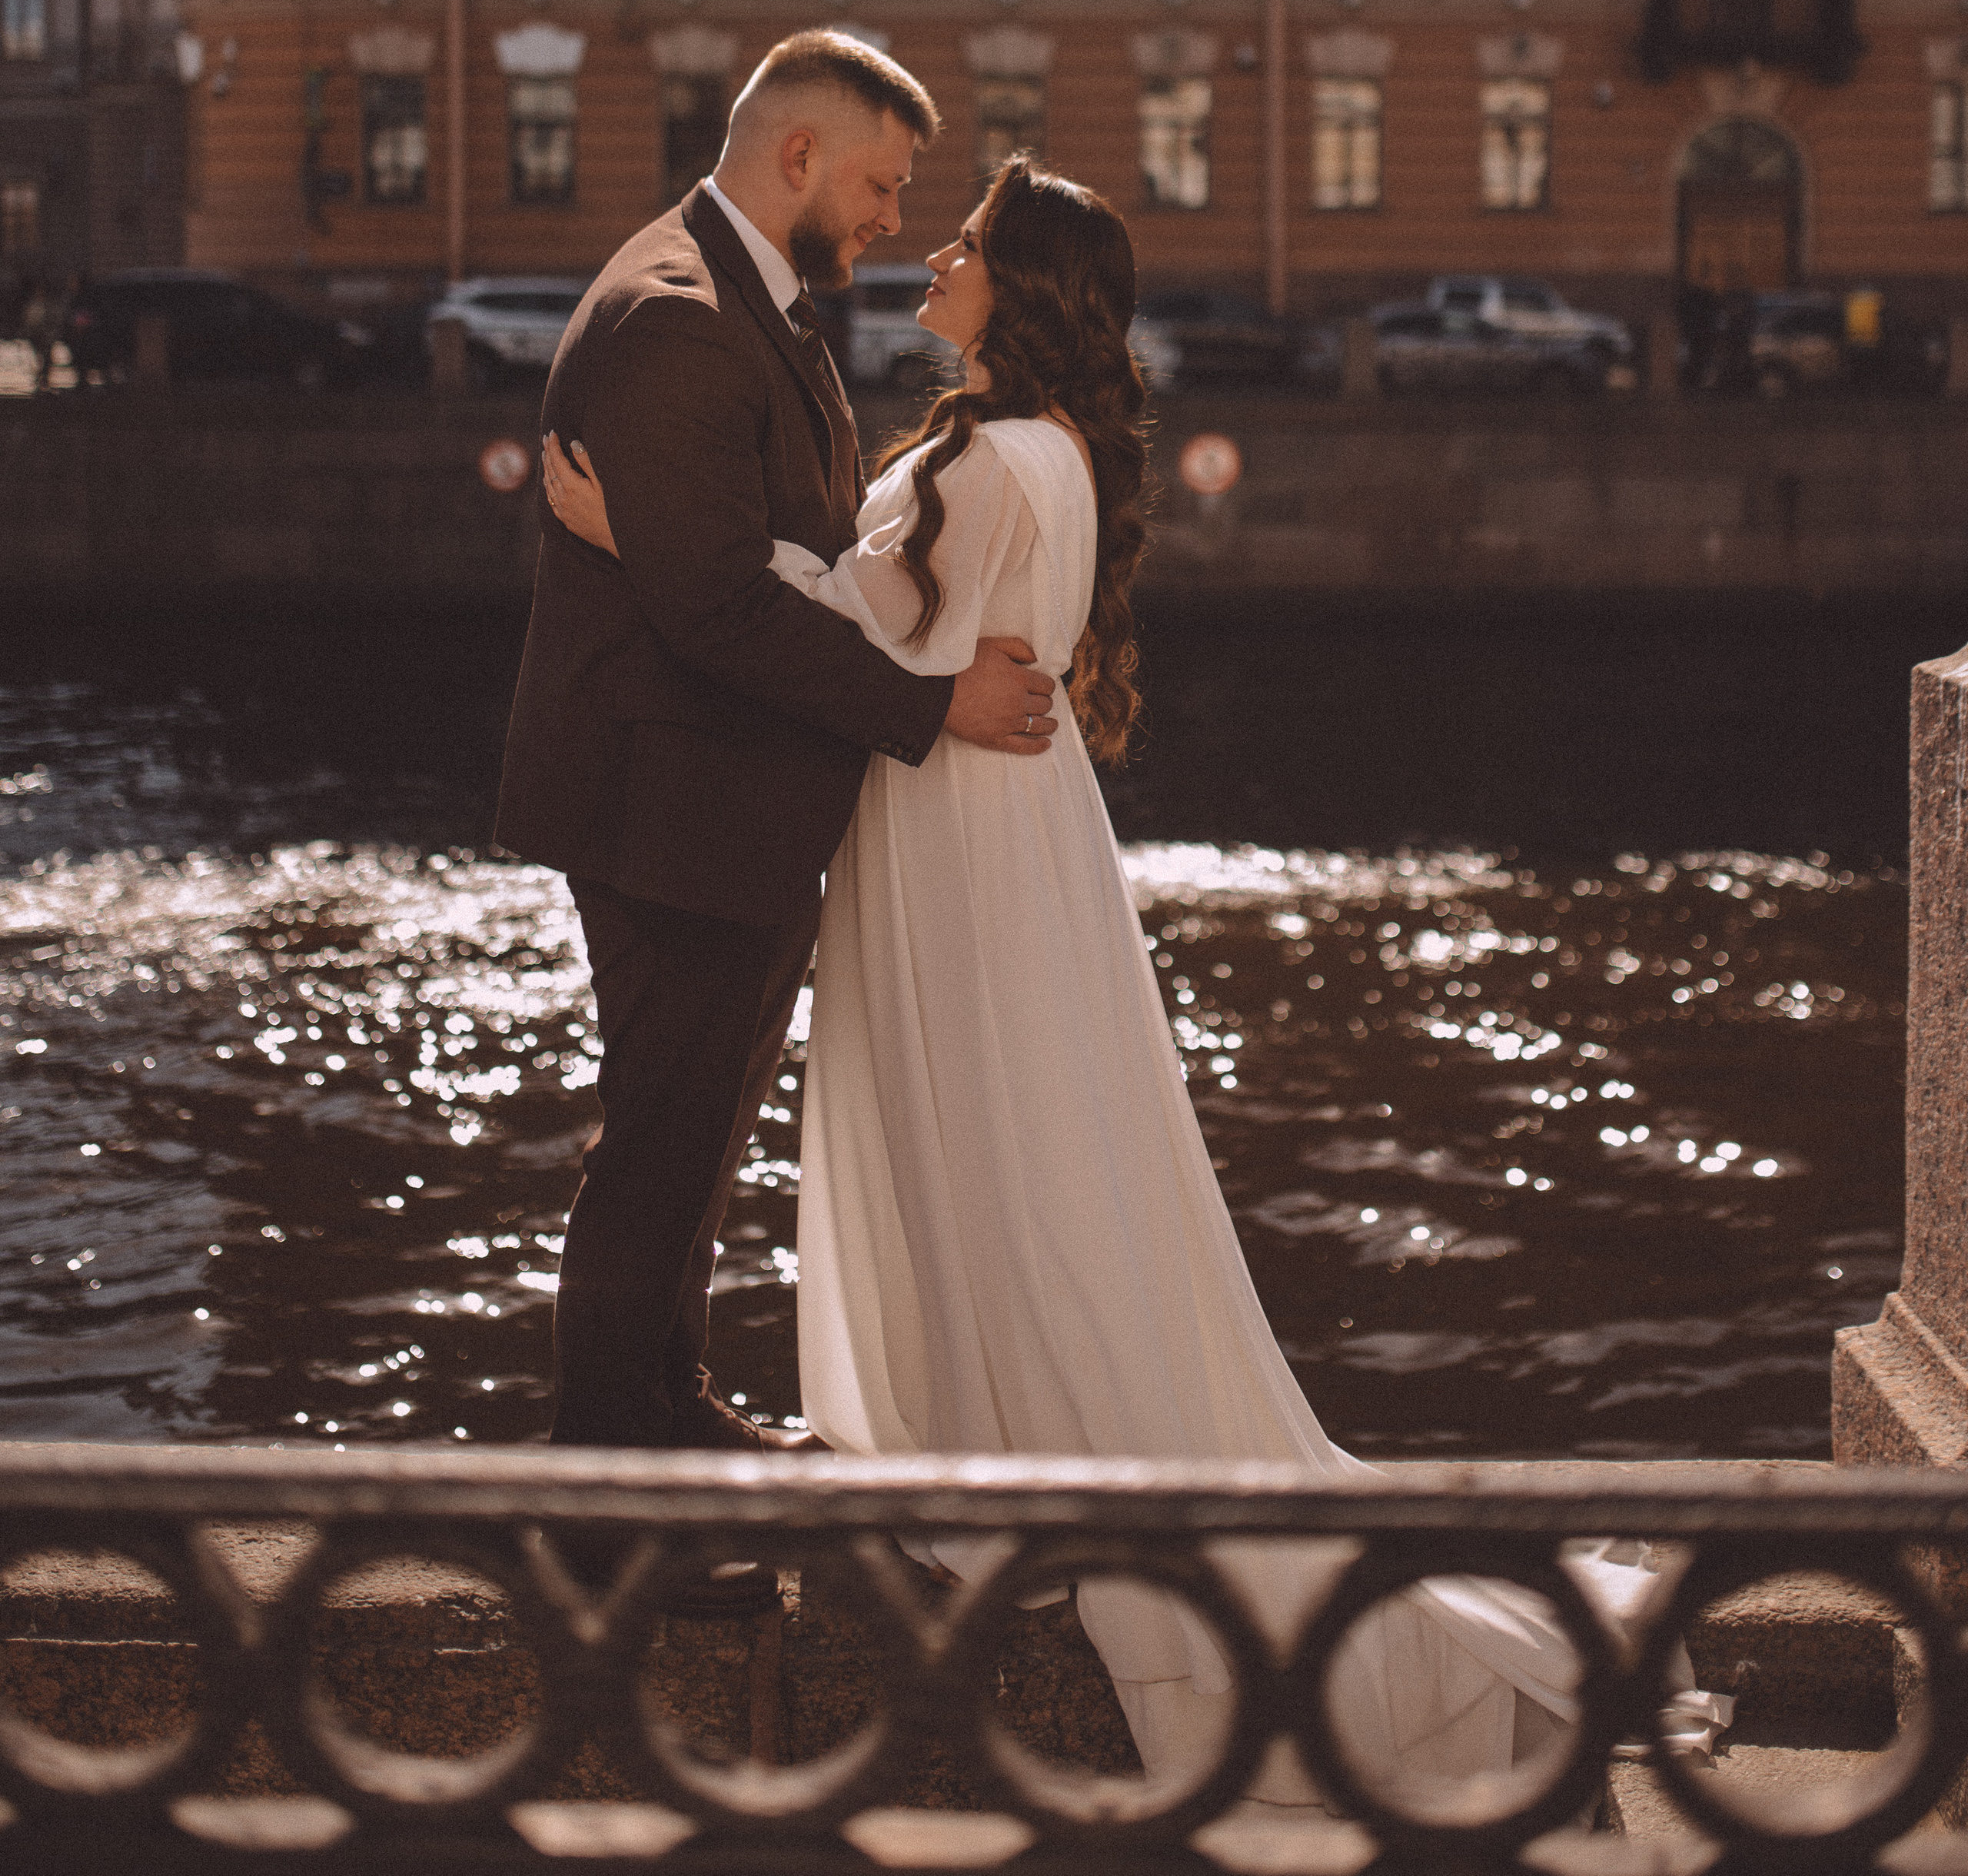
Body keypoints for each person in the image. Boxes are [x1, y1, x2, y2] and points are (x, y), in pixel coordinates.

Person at [543, 154, 1727, 1793]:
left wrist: (640, 527)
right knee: (1034, 1136)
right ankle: (1014, 1420)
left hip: (954, 828)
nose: (935, 254)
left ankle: (1018, 1438)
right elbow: (906, 630)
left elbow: (856, 628)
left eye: (964, 242)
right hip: (992, 823)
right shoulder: (1043, 449)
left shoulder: (986, 461)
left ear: (1020, 289)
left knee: (991, 1132)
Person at [497, 32, 1058, 1606]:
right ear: (797, 157)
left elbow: (765, 551)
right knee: (658, 1144)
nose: (894, 214)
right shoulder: (680, 314)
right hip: (670, 800)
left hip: (717, 797)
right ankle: (607, 1513)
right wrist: (928, 703)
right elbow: (713, 607)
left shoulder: (747, 296)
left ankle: (665, 1417)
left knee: (687, 1138)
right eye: (882, 182)